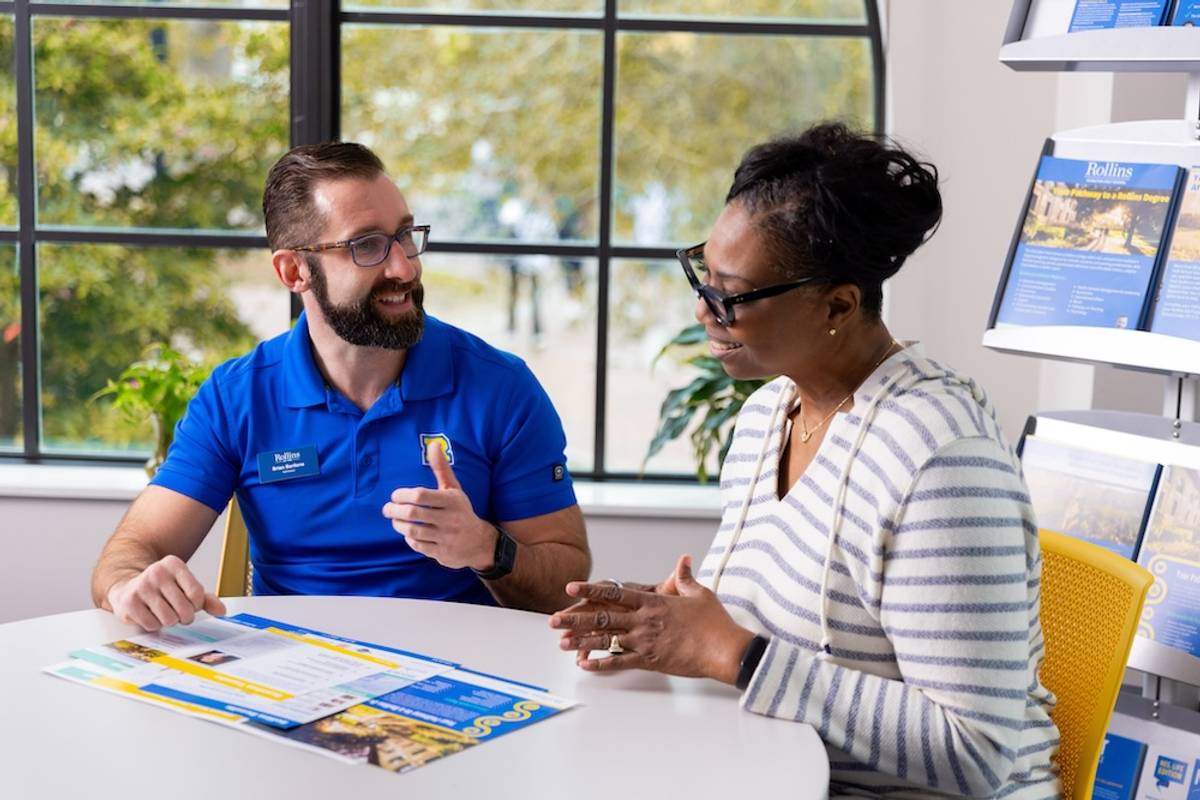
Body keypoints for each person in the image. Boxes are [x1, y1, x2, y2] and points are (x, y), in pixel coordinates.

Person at [549, 123, 1059, 798]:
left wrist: (729, 652)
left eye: (730, 295)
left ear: (838, 305)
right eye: (703, 273)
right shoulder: (767, 415)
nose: (703, 310)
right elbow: (767, 624)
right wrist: (661, 626)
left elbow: (977, 750)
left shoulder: (940, 462)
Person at [92, 142, 590, 631]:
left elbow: (564, 583)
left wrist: (486, 548)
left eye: (405, 235)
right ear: (294, 271)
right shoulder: (237, 397)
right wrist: (130, 586)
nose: (404, 267)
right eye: (367, 245)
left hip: (462, 675)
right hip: (295, 676)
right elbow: (130, 553)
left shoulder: (501, 388)